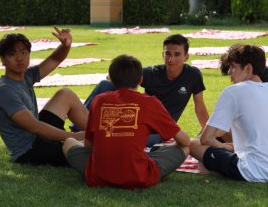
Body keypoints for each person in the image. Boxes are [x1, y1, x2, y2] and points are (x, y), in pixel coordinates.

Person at [62, 55, 190, 189]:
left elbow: (89, 145)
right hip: (141, 177)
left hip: (98, 176)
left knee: (69, 142)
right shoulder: (151, 102)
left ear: (111, 79)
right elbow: (185, 142)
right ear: (141, 79)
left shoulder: (98, 101)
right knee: (184, 146)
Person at [70, 34, 210, 147]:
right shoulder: (151, 73)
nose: (171, 59)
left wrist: (206, 132)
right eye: (168, 54)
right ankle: (78, 129)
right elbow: (114, 76)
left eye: (177, 54)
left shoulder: (193, 74)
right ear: (162, 55)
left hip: (161, 128)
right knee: (105, 84)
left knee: (133, 139)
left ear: (186, 57)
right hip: (137, 117)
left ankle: (95, 140)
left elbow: (200, 108)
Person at [189, 43, 268, 182]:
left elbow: (205, 139)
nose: (229, 71)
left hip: (254, 170)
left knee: (193, 144)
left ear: (248, 68)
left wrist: (223, 146)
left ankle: (217, 168)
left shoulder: (233, 91)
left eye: (233, 67)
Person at [0, 29, 88, 166]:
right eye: (13, 54)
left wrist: (66, 45)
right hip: (30, 150)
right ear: (2, 58)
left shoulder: (26, 76)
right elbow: (34, 127)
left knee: (65, 94)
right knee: (85, 147)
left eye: (23, 52)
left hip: (38, 136)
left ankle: (99, 131)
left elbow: (55, 59)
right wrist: (76, 136)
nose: (19, 58)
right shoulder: (4, 90)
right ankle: (99, 139)